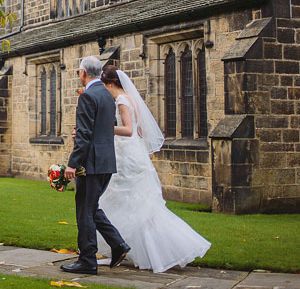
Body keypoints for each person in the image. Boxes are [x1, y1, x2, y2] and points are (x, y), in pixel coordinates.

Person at [96, 64, 211, 273]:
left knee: (129, 203)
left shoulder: (121, 100)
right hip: (132, 153)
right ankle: (131, 250)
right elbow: (139, 129)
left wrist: (103, 127)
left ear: (111, 83)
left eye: (105, 85)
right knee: (131, 203)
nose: (104, 89)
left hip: (126, 156)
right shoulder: (131, 99)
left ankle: (135, 249)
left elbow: (129, 130)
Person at [60, 55, 130, 276]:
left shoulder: (87, 96)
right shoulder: (108, 96)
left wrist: (72, 165)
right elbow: (107, 127)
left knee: (85, 212)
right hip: (106, 162)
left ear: (83, 73)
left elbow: (85, 136)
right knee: (91, 207)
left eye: (78, 73)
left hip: (90, 164)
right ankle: (117, 244)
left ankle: (87, 260)